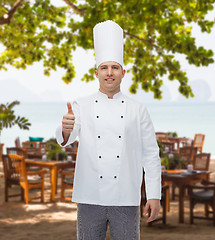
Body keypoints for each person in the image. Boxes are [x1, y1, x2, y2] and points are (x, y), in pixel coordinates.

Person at [56, 20, 161, 240]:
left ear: (124, 72)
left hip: (126, 197)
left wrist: (154, 195)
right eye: (104, 68)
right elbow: (69, 136)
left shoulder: (138, 109)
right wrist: (65, 129)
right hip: (89, 196)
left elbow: (151, 155)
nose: (109, 73)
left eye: (114, 67)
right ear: (96, 73)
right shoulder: (81, 105)